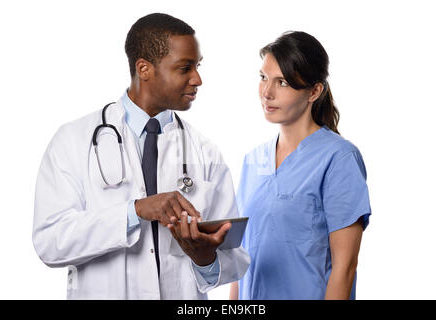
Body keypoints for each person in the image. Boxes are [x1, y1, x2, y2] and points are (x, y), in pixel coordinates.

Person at [32, 13, 249, 300]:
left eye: (198, 66)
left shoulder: (205, 151)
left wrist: (205, 258)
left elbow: (234, 258)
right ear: (144, 69)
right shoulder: (73, 140)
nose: (197, 79)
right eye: (185, 68)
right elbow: (50, 241)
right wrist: (134, 211)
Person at [230, 31, 371, 300]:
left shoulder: (338, 159)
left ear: (314, 91)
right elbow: (241, 256)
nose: (267, 93)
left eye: (282, 82)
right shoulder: (252, 160)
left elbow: (345, 268)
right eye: (263, 78)